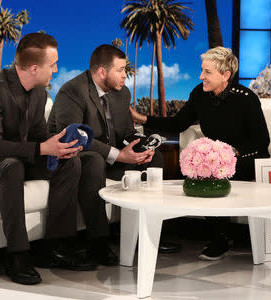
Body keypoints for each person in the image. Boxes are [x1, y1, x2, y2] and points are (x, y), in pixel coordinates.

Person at [0, 32, 99, 285]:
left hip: (14, 157)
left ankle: (53, 248)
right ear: (34, 68)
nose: (56, 69)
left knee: (71, 163)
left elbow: (39, 137)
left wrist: (60, 147)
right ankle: (17, 255)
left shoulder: (40, 94)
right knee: (12, 167)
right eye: (52, 64)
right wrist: (43, 148)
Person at [129, 46, 270, 260]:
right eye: (202, 70)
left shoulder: (246, 98)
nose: (201, 76)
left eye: (207, 72)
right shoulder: (199, 94)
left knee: (212, 173)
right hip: (216, 160)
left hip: (248, 157)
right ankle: (219, 235)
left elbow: (261, 141)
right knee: (201, 172)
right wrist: (141, 119)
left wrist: (232, 152)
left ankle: (221, 239)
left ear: (226, 75)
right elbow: (178, 123)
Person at [48, 44, 179, 255]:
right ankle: (98, 241)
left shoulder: (122, 93)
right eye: (120, 70)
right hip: (79, 160)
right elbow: (75, 136)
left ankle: (148, 236)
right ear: (102, 72)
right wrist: (119, 155)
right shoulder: (73, 91)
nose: (125, 75)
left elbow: (126, 132)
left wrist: (142, 146)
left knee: (154, 161)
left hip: (111, 160)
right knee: (94, 161)